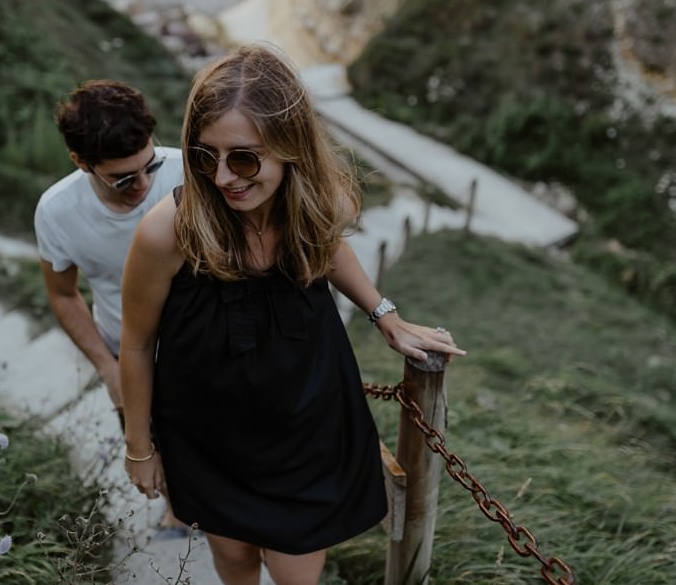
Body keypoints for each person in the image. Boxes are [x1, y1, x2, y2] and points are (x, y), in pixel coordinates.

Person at [119, 44, 466, 585]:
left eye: (243, 158)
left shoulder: (322, 206)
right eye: (205, 156)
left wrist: (385, 315)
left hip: (305, 418)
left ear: (290, 146)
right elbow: (138, 344)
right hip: (208, 431)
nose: (223, 177)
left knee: (295, 568)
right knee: (235, 559)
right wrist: (139, 449)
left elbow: (327, 248)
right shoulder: (168, 232)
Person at [33, 79, 185, 529]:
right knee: (153, 451)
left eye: (149, 166)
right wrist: (106, 367)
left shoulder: (187, 172)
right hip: (125, 352)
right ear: (80, 161)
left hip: (203, 339)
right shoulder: (56, 211)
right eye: (123, 178)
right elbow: (63, 293)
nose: (142, 184)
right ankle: (178, 511)